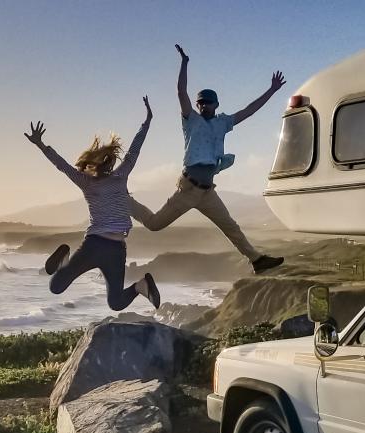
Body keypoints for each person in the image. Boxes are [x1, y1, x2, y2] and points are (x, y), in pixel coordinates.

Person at [129, 44, 286, 275]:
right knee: (154, 225)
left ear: (216, 104)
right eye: (200, 102)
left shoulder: (223, 122)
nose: (203, 105)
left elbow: (250, 110)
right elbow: (181, 92)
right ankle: (125, 203)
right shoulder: (190, 120)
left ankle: (257, 261)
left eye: (207, 102)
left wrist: (271, 90)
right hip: (188, 189)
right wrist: (184, 62)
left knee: (231, 227)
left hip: (207, 192)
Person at [24, 96, 160, 311]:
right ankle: (64, 256)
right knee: (56, 287)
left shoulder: (111, 177)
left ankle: (141, 286)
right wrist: (41, 145)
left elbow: (134, 150)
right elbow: (63, 165)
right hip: (98, 245)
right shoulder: (97, 180)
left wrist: (147, 122)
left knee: (115, 303)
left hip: (112, 249)